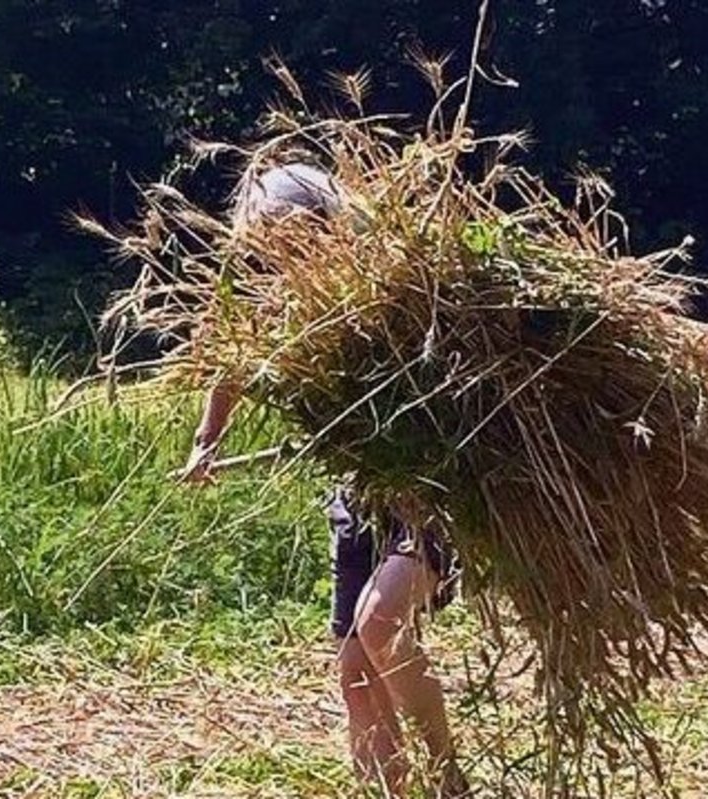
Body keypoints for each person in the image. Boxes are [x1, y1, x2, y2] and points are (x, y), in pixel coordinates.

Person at [179, 163, 469, 798]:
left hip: (428, 495)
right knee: (354, 672)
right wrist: (208, 439)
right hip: (358, 495)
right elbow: (229, 358)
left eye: (291, 234)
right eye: (266, 241)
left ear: (324, 225)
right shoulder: (275, 302)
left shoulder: (391, 285)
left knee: (380, 625)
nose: (279, 251)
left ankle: (448, 780)